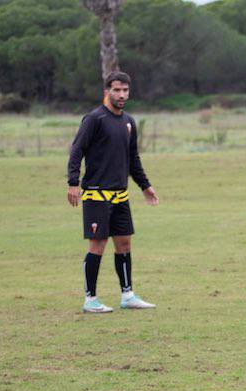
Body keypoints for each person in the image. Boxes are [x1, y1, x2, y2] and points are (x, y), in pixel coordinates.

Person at [67, 71, 159, 313]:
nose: (121, 95)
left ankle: (127, 295)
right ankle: (90, 299)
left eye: (125, 90)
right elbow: (77, 150)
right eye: (116, 90)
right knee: (97, 246)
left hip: (120, 195)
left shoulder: (128, 121)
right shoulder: (94, 119)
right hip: (97, 194)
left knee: (125, 244)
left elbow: (133, 158)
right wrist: (73, 182)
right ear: (106, 91)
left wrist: (145, 186)